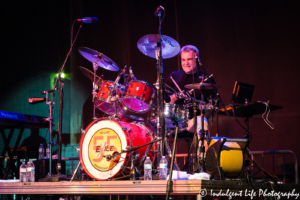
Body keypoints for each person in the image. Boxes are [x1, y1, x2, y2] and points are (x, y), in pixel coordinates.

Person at [165, 45, 217, 163]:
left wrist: (206, 107)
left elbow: (213, 104)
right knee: (156, 124)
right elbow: (164, 100)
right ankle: (159, 166)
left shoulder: (205, 78)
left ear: (196, 59)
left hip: (194, 122)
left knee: (200, 121)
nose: (186, 63)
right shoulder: (174, 76)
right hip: (175, 121)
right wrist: (176, 96)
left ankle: (202, 161)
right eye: (183, 60)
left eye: (189, 59)